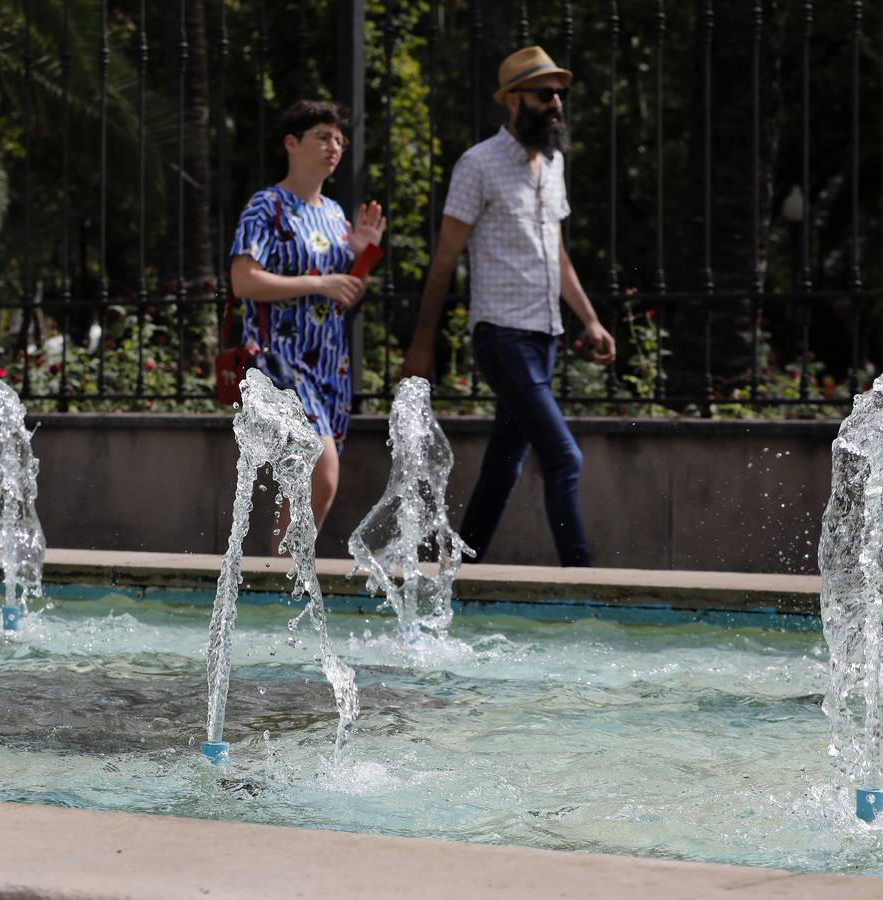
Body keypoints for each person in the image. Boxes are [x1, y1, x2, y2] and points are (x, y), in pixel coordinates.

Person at [401, 47, 615, 567]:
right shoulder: (478, 164)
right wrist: (422, 343)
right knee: (563, 457)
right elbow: (445, 258)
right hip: (501, 334)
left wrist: (589, 319)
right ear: (514, 100)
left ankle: (458, 573)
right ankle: (582, 578)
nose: (557, 102)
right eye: (545, 94)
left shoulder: (554, 163)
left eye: (560, 93)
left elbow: (556, 253)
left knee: (504, 465)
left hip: (544, 334)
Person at [229, 100, 386, 549]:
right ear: (292, 144)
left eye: (339, 139)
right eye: (322, 136)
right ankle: (288, 575)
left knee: (304, 481)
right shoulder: (268, 206)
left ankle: (284, 582)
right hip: (279, 360)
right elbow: (243, 280)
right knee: (323, 470)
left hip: (329, 364)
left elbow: (340, 297)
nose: (333, 146)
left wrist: (361, 255)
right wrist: (320, 282)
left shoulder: (336, 215)